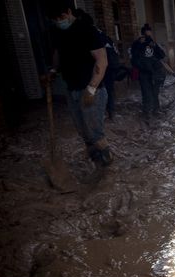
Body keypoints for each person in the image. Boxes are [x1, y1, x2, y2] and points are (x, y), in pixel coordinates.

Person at [47, 1, 113, 168]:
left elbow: (102, 61)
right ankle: (94, 160)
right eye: (55, 19)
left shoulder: (87, 30)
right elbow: (57, 53)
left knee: (94, 129)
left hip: (91, 88)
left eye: (61, 17)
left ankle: (107, 162)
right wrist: (53, 71)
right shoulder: (57, 32)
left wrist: (91, 88)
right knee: (82, 128)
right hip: (71, 87)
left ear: (69, 12)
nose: (58, 21)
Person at [131, 24, 166, 120]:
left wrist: (154, 46)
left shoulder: (152, 43)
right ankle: (147, 112)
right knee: (146, 92)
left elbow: (162, 55)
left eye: (149, 33)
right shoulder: (136, 44)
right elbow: (134, 59)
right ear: (142, 33)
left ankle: (155, 109)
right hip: (144, 72)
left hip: (154, 72)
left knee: (155, 92)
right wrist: (139, 44)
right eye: (146, 33)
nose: (147, 36)